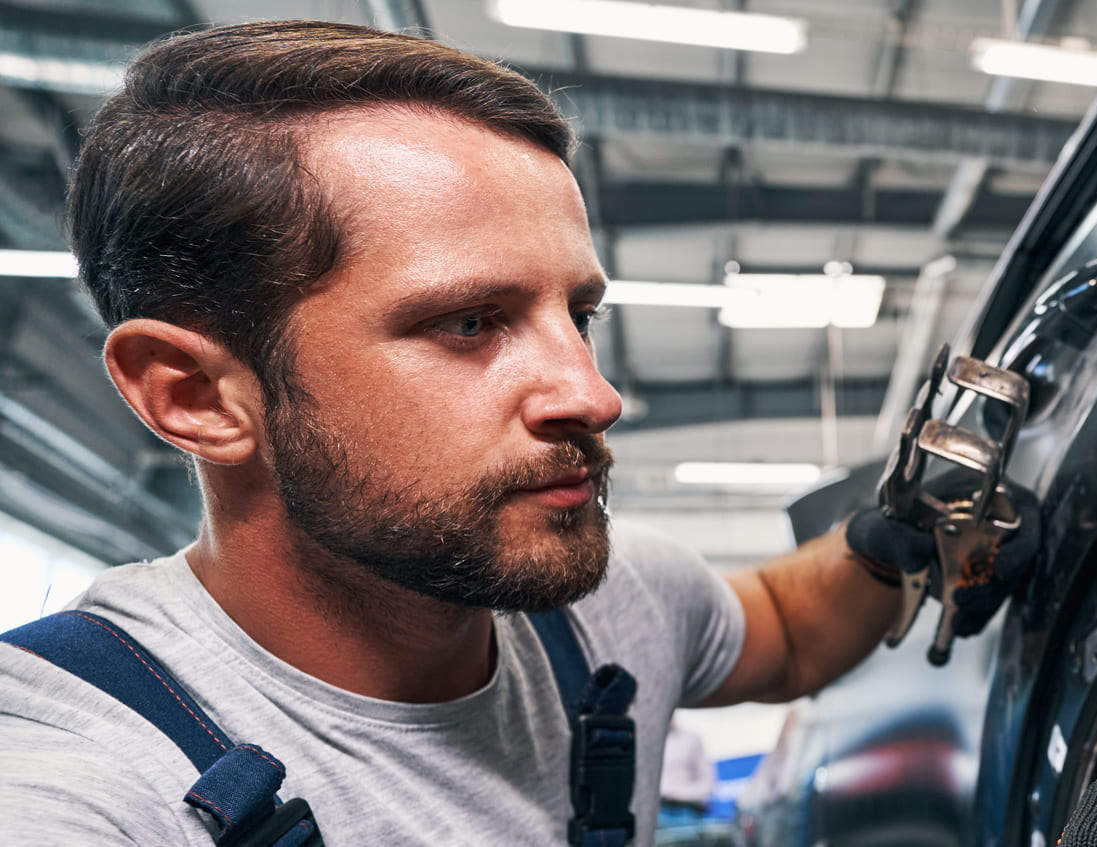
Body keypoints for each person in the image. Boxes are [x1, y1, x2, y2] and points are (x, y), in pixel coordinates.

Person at [0, 20, 1033, 845]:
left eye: (576, 316)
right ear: (195, 396)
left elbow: (786, 626)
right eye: (468, 323)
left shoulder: (606, 607)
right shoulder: (81, 778)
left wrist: (892, 538)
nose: (592, 392)